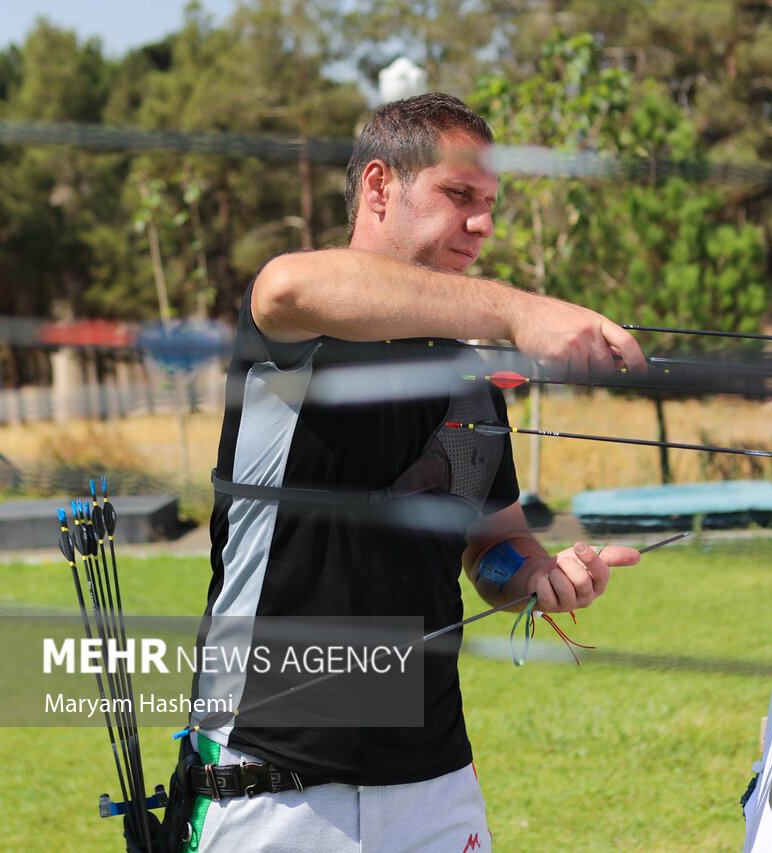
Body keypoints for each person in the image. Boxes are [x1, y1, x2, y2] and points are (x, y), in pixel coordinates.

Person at [181, 93, 646, 852]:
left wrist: (534, 576)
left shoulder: (470, 380)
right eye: (458, 195)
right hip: (274, 782)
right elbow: (287, 284)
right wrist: (516, 313)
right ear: (377, 187)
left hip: (435, 781)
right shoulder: (302, 329)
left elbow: (489, 546)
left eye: (490, 204)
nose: (481, 223)